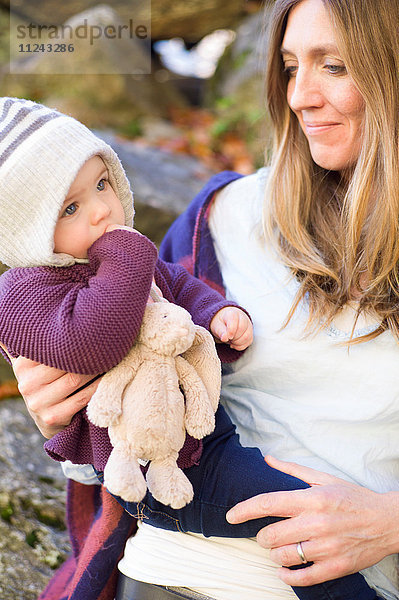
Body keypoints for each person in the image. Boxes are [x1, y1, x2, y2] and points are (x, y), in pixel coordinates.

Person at [9, 0, 399, 597]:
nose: (299, 96)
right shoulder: (223, 216)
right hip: (166, 576)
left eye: (336, 67)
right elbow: (135, 414)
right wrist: (65, 416)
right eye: (291, 67)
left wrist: (390, 523)